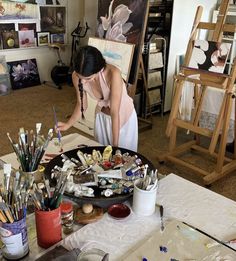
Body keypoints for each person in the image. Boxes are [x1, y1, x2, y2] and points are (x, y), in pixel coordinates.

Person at [57, 45, 138, 152]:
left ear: (99, 69)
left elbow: (115, 112)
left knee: (123, 158)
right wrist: (68, 125)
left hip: (123, 118)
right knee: (101, 157)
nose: (84, 82)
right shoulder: (76, 76)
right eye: (81, 78)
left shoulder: (113, 74)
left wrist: (115, 147)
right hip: (102, 117)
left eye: (88, 78)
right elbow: (82, 105)